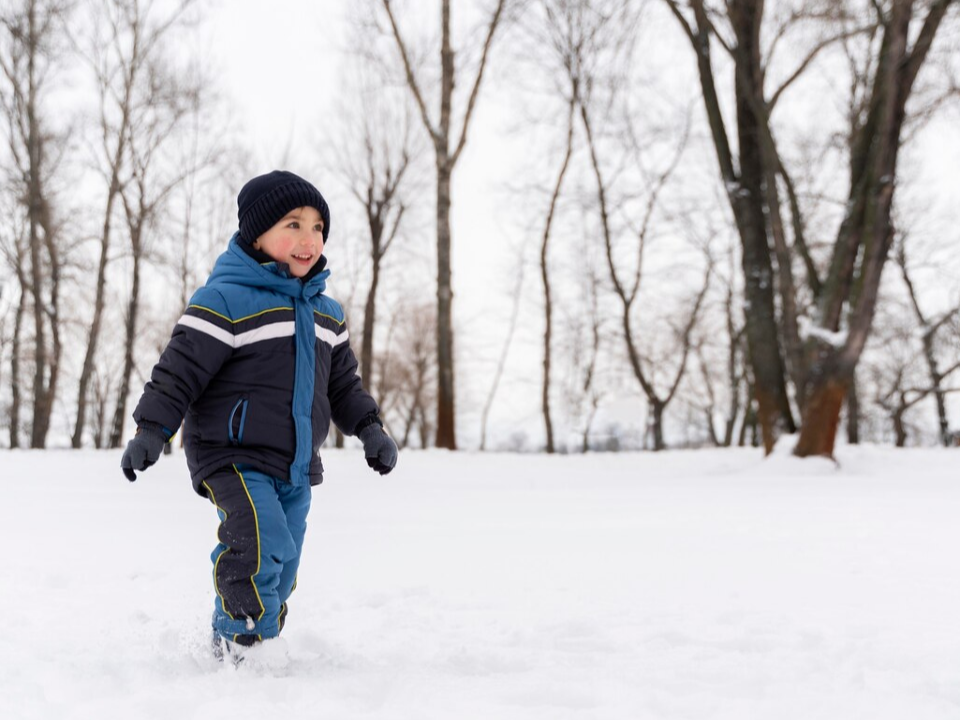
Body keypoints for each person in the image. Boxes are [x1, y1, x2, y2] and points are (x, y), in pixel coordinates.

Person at [120, 170, 398, 659]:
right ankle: (242, 642)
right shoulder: (225, 301)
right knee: (258, 537)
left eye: (317, 227)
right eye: (292, 224)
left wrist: (370, 427)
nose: (307, 238)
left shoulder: (327, 314)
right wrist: (151, 430)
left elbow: (343, 385)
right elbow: (178, 373)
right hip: (232, 455)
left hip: (294, 463)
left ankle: (253, 635)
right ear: (257, 234)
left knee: (284, 557)